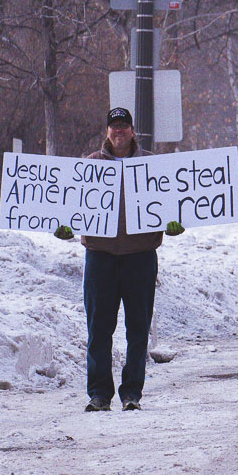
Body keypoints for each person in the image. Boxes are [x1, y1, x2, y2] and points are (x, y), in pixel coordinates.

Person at [77, 107, 181, 412]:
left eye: (124, 126)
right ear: (107, 132)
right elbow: (71, 206)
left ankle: (131, 392)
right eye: (114, 127)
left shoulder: (152, 164)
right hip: (100, 256)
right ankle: (99, 393)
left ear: (133, 131)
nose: (119, 131)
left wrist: (176, 222)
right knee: (98, 328)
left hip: (140, 257)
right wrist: (64, 225)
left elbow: (172, 203)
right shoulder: (90, 165)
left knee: (138, 328)